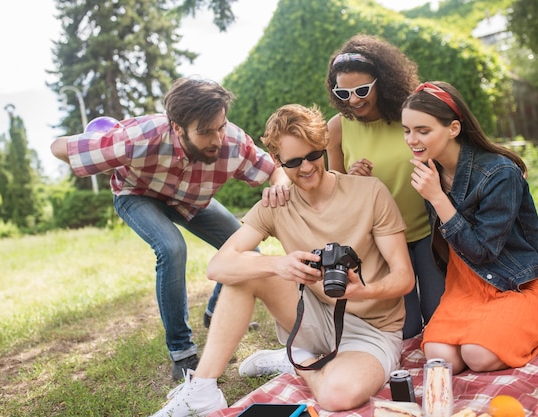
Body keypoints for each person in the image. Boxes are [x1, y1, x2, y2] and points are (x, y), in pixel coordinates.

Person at [149, 103, 415, 417]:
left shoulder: (370, 192)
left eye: (314, 155)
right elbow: (217, 267)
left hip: (372, 329)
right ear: (276, 160)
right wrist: (279, 264)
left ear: (324, 147)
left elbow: (404, 277)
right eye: (293, 161)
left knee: (337, 395)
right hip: (314, 315)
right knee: (244, 272)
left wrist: (362, 291)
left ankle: (298, 358)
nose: (306, 168)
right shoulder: (277, 203)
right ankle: (203, 388)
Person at [49, 77, 290, 380]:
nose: (217, 139)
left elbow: (275, 169)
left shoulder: (233, 142)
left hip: (191, 200)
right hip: (138, 195)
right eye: (205, 132)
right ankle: (182, 355)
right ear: (177, 127)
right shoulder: (136, 138)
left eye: (221, 126)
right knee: (172, 248)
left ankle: (217, 311)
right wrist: (89, 150)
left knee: (246, 249)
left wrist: (278, 187)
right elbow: (59, 147)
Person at [402, 81, 538, 374]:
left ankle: (533, 325)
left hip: (517, 284)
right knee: (441, 359)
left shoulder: (499, 173)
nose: (411, 139)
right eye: (406, 130)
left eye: (423, 131)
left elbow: (483, 251)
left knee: (478, 356)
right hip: (465, 286)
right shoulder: (432, 170)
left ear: (453, 129)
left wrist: (438, 199)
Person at [325, 34, 445, 339]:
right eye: (343, 92)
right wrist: (351, 180)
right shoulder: (337, 128)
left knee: (439, 318)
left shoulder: (411, 115)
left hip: (428, 235)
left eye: (362, 90)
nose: (353, 100)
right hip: (383, 244)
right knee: (407, 330)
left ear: (384, 81)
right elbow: (334, 193)